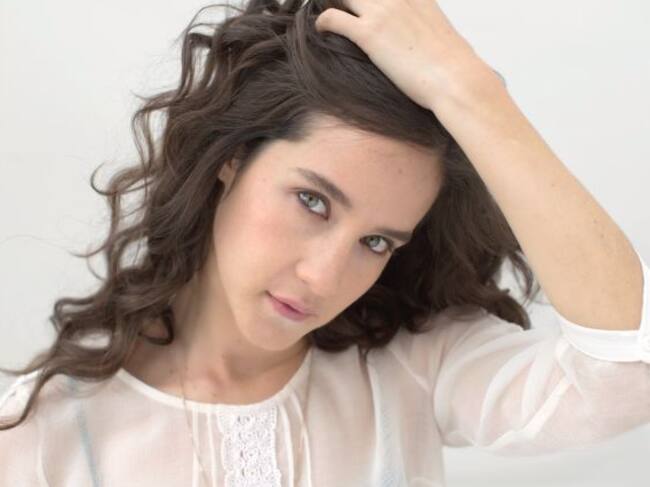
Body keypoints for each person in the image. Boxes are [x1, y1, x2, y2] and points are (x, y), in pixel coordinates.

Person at [2, 0, 649, 485]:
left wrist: (470, 87)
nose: (324, 276)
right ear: (232, 157)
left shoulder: (413, 367)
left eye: (376, 241)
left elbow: (627, 370)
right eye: (313, 202)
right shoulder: (42, 437)